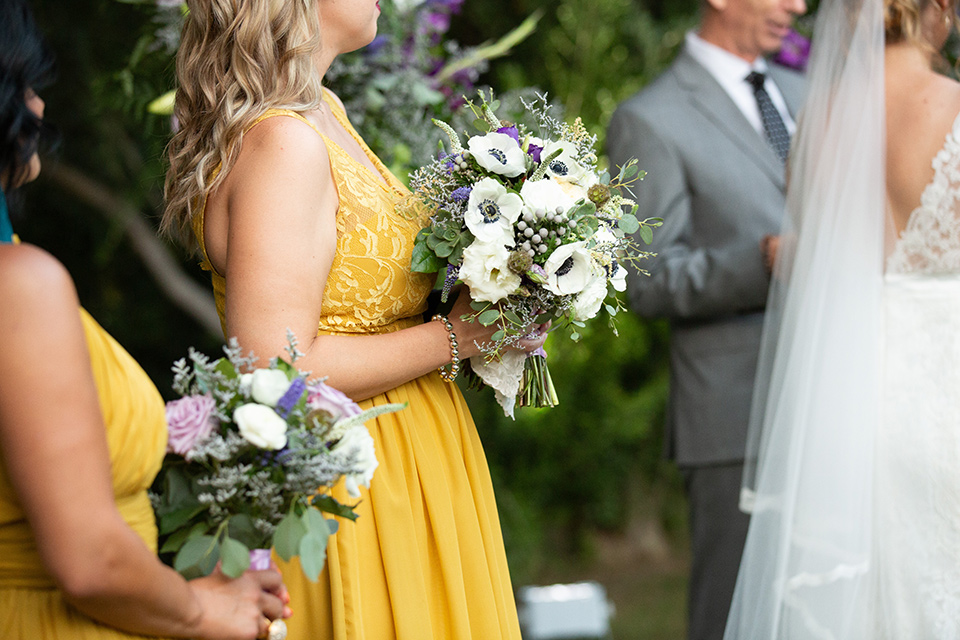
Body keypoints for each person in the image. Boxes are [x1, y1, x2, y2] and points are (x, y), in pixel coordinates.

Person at [161, 1, 546, 638]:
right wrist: (458, 336)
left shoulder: (325, 112)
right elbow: (278, 372)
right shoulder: (281, 141)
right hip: (353, 478)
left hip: (419, 456)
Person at [0, 1, 292, 639]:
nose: (39, 108)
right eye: (23, 86)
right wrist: (200, 612)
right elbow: (91, 563)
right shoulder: (18, 289)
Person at [725, 0, 960, 637]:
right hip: (945, 385)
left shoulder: (820, 123)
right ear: (938, 10)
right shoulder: (952, 106)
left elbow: (820, 254)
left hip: (847, 403)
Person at [606, 1, 806, 638]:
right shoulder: (649, 118)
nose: (798, 7)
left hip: (843, 402)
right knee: (734, 616)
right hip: (735, 417)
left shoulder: (812, 95)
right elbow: (648, 278)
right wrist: (762, 262)